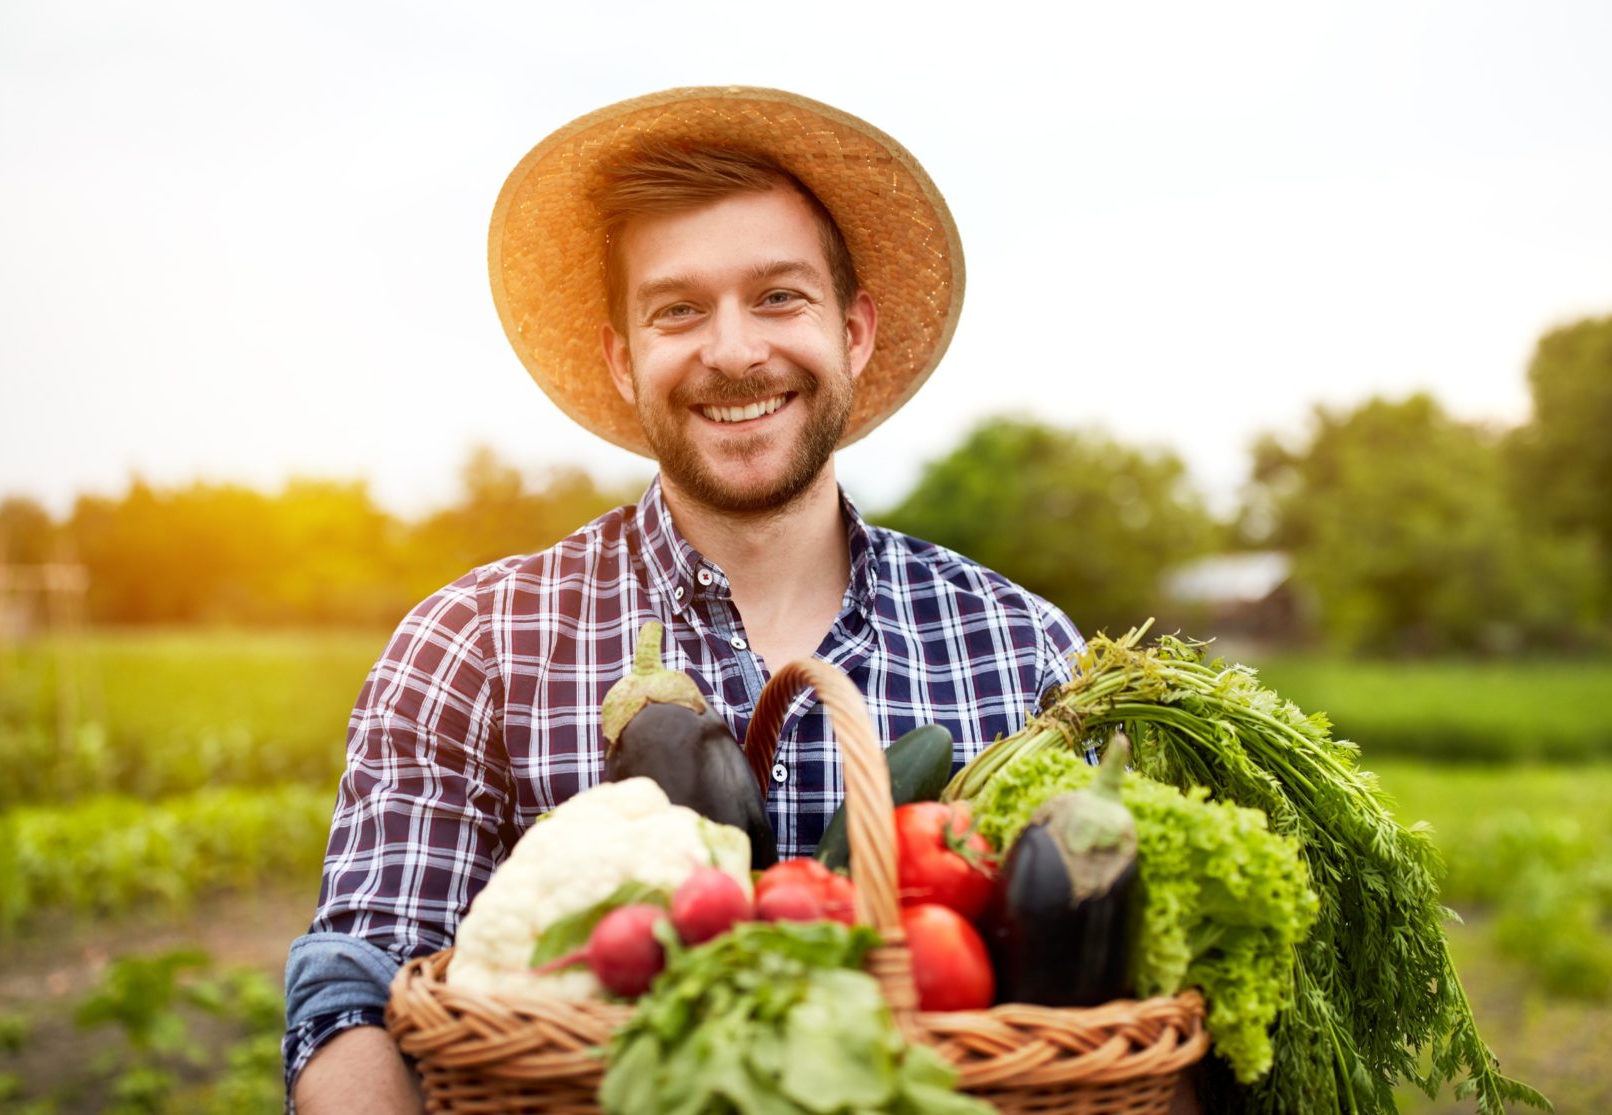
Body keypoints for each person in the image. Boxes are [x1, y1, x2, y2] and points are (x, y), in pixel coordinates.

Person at [282, 87, 1083, 1112]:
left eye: (779, 297)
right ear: (625, 359)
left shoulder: (1024, 648)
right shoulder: (470, 645)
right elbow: (359, 982)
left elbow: (1119, 997)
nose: (735, 351)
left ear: (856, 330)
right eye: (678, 309)